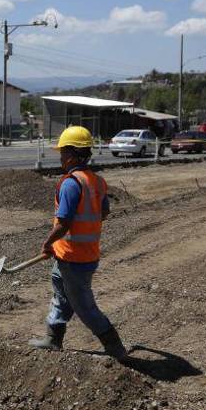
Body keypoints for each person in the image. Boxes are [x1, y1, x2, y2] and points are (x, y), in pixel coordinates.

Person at [28, 126, 127, 359]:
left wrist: (46, 244)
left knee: (84, 306)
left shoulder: (71, 183)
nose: (60, 157)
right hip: (79, 254)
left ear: (71, 155)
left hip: (75, 259)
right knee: (60, 296)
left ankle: (115, 347)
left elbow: (63, 224)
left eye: (62, 152)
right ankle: (53, 338)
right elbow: (103, 213)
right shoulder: (98, 181)